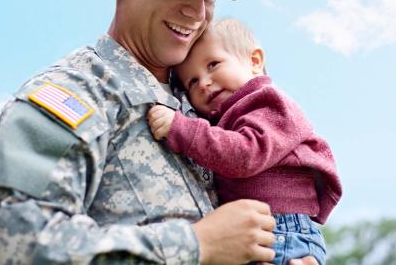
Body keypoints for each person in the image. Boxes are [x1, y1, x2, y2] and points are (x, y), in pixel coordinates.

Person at [0, 0, 284, 264]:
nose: (197, 12)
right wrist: (195, 244)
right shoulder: (74, 91)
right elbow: (8, 236)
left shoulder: (208, 97)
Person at [147, 19, 343, 265]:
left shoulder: (267, 103)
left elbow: (245, 154)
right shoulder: (225, 116)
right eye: (192, 82)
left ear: (254, 62)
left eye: (213, 64)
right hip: (258, 230)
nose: (204, 82)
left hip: (280, 230)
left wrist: (181, 129)